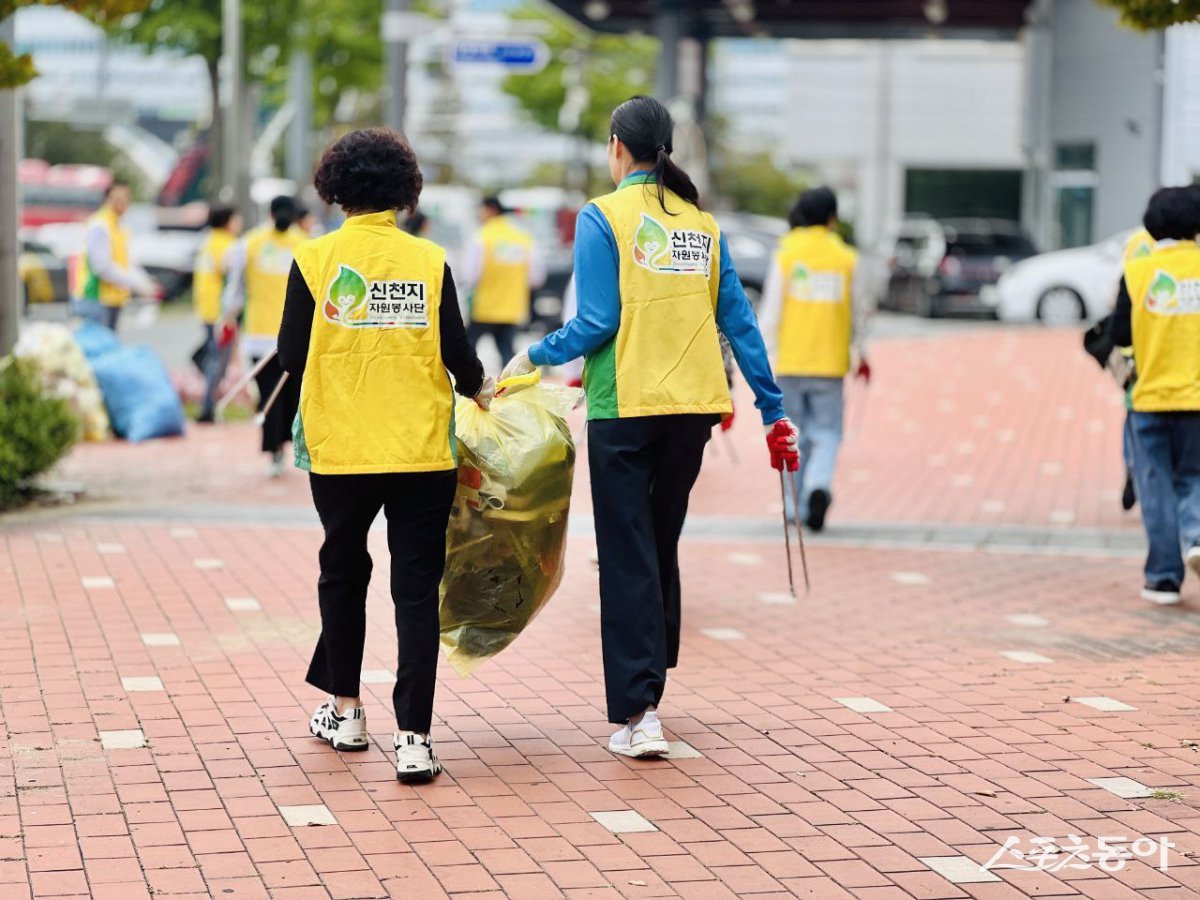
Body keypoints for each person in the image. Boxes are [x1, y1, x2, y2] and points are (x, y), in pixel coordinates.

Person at [501, 96, 797, 759]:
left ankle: (640, 712)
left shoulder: (602, 217)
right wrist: (772, 409)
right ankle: (651, 684)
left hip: (626, 407)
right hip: (692, 411)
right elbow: (741, 324)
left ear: (616, 148)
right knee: (657, 544)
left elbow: (596, 321)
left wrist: (532, 356)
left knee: (628, 554)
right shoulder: (702, 225)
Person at [277, 128, 494, 783]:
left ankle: (346, 714)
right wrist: (486, 389)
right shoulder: (429, 261)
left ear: (335, 187)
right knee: (415, 590)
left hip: (341, 448)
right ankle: (414, 739)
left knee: (343, 572)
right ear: (405, 189)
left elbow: (290, 357)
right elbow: (459, 360)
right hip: (421, 449)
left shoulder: (315, 260)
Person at [758, 187, 870, 532]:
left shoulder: (787, 254)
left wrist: (760, 356)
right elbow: (860, 312)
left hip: (790, 361)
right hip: (830, 363)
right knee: (827, 433)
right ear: (833, 219)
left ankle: (793, 505)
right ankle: (818, 486)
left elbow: (772, 312)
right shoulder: (847, 257)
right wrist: (861, 353)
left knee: (794, 434)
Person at [1108, 185, 1200, 605]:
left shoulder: (1137, 271)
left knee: (1156, 485)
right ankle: (1196, 537)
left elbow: (1120, 334)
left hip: (1148, 399)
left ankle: (1163, 578)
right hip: (1196, 400)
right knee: (1194, 476)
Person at [222, 196, 308, 476]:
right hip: (295, 336)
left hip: (260, 336)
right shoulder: (306, 244)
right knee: (290, 394)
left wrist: (228, 317)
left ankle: (275, 451)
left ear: (270, 213)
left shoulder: (249, 242)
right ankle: (283, 446)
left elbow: (235, 289)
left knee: (270, 394)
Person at [462, 196, 545, 363]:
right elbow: (536, 277)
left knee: (468, 348)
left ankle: (466, 386)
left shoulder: (482, 236)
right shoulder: (522, 238)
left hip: (484, 306)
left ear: (490, 210)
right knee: (507, 351)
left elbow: (470, 275)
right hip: (512, 307)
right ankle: (512, 387)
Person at [77, 180, 158, 330]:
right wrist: (137, 284)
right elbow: (102, 267)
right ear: (107, 199)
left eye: (126, 198)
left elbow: (129, 262)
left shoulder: (120, 227)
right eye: (117, 198)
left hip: (115, 297)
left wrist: (146, 284)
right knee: (101, 347)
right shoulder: (100, 225)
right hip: (97, 297)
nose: (122, 202)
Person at [193, 205, 243, 423]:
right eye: (236, 219)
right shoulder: (228, 246)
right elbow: (234, 278)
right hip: (221, 312)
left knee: (215, 356)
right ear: (227, 222)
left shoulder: (207, 241)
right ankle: (207, 409)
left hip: (206, 308)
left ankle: (208, 406)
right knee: (219, 361)